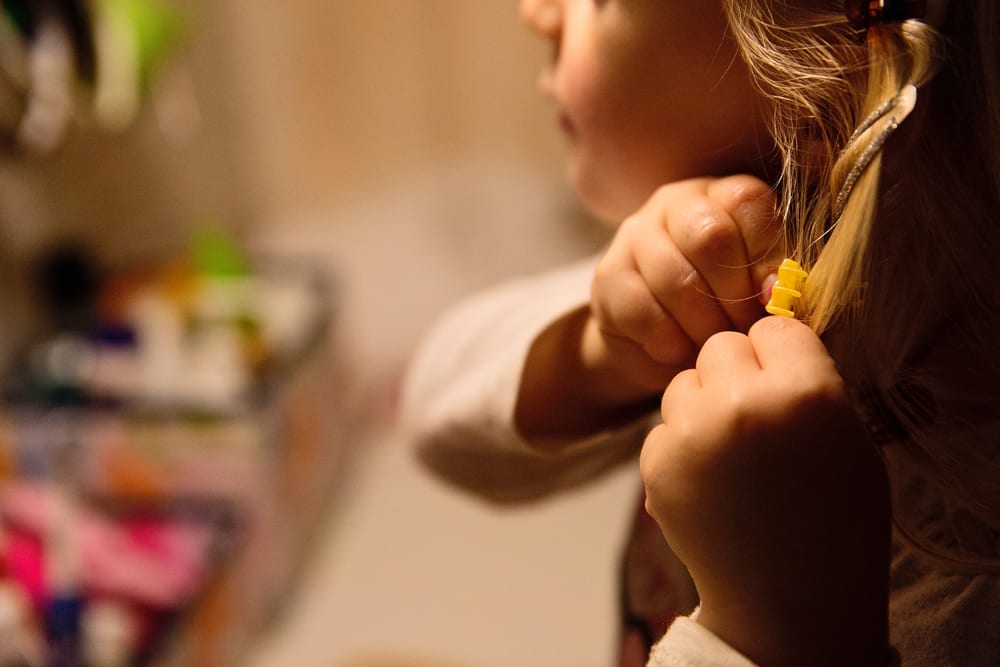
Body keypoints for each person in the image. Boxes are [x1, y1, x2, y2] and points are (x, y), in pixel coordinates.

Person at [399, 0, 1000, 665]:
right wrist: (611, 348)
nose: (536, 12)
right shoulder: (749, 268)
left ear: (832, 75)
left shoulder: (969, 606)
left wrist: (778, 637)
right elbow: (434, 416)